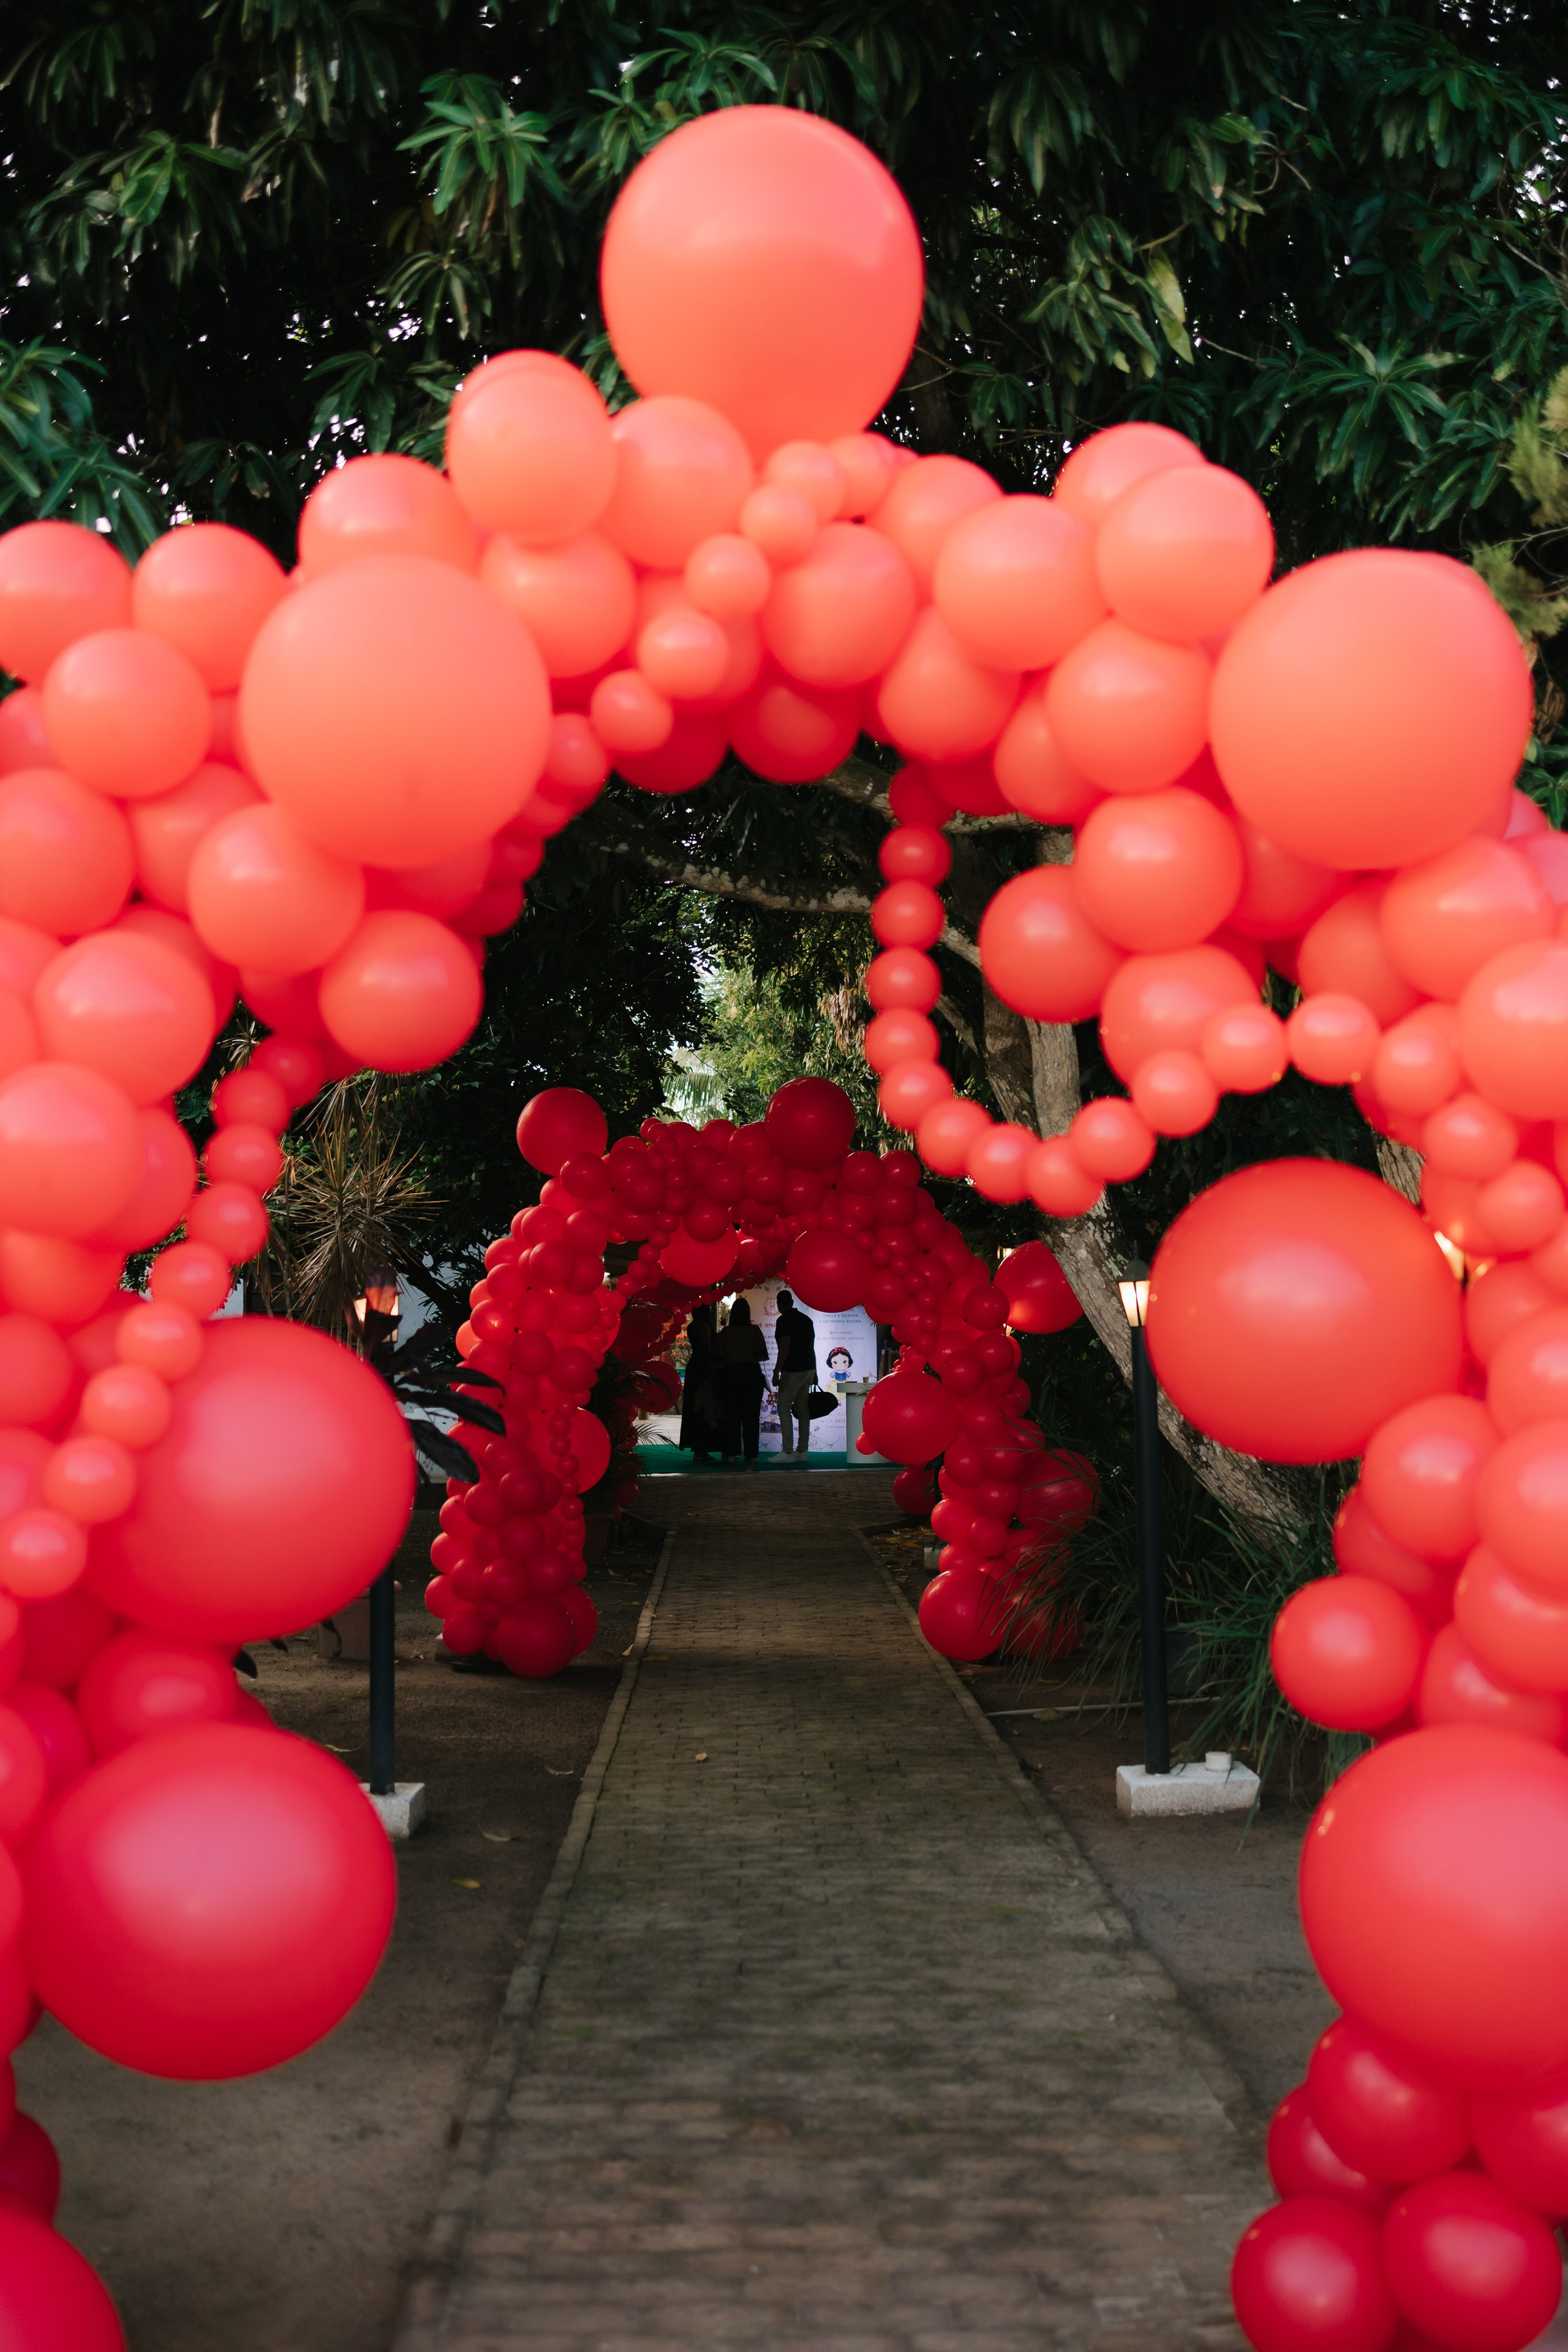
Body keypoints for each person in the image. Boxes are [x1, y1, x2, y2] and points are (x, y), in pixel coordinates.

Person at [714, 1296, 767, 1467]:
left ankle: (730, 1454)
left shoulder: (726, 1333)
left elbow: (718, 1360)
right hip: (752, 1375)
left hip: (730, 1376)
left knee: (732, 1417)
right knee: (752, 1417)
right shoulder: (755, 1332)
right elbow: (762, 1356)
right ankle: (752, 1455)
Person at [772, 1288, 818, 1460]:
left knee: (784, 1407)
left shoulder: (784, 1321)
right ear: (792, 1302)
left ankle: (787, 1451)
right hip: (808, 1369)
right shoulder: (807, 1320)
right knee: (802, 1408)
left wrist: (777, 1371)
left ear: (779, 1305)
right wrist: (816, 1371)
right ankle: (802, 1451)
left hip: (793, 1369)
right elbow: (811, 1347)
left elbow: (785, 1347)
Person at [678, 1302, 720, 1461]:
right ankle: (701, 1448)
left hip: (695, 1367)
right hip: (703, 1368)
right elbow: (706, 1348)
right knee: (705, 1405)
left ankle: (698, 1447)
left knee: (696, 1407)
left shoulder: (693, 1325)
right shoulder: (702, 1326)